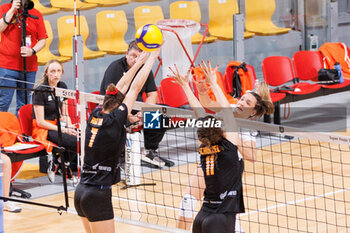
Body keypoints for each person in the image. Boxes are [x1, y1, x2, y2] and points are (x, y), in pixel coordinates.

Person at [170, 61, 274, 233]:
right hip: (211, 160)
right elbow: (205, 105)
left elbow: (252, 156)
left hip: (228, 166)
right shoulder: (230, 108)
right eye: (242, 98)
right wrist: (202, 90)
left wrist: (230, 137)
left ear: (253, 111)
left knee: (224, 215)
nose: (241, 103)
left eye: (247, 103)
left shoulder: (247, 126)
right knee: (188, 202)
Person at [74, 49, 159, 233]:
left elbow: (121, 86)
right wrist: (151, 57)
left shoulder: (96, 113)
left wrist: (136, 64)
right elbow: (134, 88)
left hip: (81, 191)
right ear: (120, 107)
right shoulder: (115, 120)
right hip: (97, 194)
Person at [100, 40, 173, 168]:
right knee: (121, 121)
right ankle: (120, 156)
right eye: (133, 56)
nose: (136, 60)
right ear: (126, 54)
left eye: (140, 57)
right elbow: (111, 100)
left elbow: (152, 94)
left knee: (164, 114)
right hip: (116, 111)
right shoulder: (115, 68)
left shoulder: (144, 69)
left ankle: (150, 151)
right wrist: (127, 116)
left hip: (137, 110)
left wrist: (143, 112)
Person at [31, 60, 77, 183]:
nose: (55, 74)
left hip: (58, 125)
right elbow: (40, 122)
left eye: (58, 71)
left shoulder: (62, 86)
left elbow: (65, 113)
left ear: (62, 73)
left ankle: (61, 163)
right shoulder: (40, 90)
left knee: (80, 137)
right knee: (73, 141)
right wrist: (64, 129)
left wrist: (70, 126)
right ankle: (63, 164)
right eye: (52, 71)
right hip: (44, 129)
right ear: (46, 73)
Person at [0, 0, 47, 113]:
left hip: (29, 68)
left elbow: (42, 39)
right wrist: (12, 10)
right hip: (7, 66)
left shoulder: (36, 13)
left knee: (24, 105)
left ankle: (22, 130)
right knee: (3, 102)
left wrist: (33, 50)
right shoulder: (5, 9)